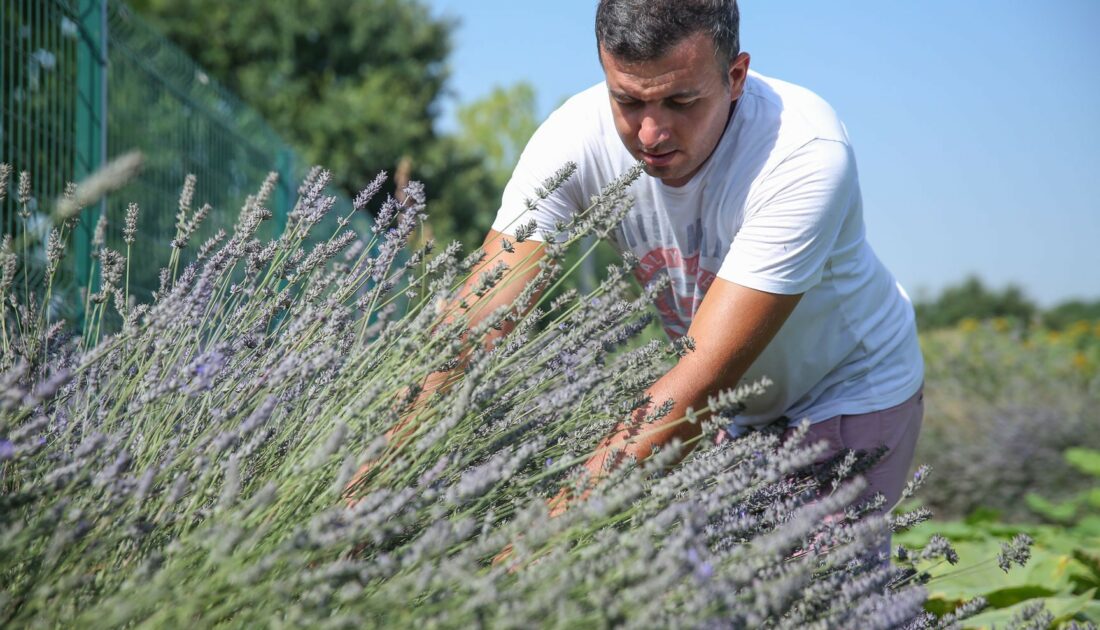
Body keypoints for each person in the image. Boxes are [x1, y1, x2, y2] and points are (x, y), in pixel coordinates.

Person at [377, 0, 924, 524]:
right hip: (733, 407)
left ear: (735, 77)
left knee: (815, 599)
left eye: (681, 103)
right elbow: (477, 320)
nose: (650, 135)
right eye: (628, 102)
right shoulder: (573, 137)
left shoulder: (802, 152)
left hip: (845, 387)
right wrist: (371, 480)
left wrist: (540, 537)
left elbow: (698, 382)